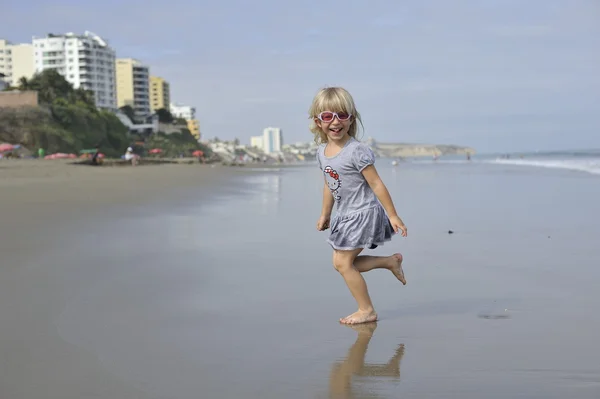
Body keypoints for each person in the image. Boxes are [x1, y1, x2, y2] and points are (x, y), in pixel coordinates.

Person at [311, 87, 408, 325]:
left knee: (343, 263)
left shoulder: (356, 151)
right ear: (318, 121)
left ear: (351, 119)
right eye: (327, 116)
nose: (335, 122)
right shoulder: (322, 153)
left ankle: (366, 310)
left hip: (364, 213)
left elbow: (376, 183)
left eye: (342, 115)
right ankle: (389, 262)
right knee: (341, 264)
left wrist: (393, 215)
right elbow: (329, 183)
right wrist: (325, 214)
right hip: (345, 216)